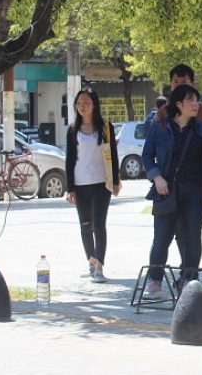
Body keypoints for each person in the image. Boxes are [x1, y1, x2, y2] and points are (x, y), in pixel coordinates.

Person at [140, 84, 202, 300]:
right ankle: (155, 281)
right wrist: (157, 177)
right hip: (166, 189)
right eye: (190, 100)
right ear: (178, 104)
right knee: (161, 238)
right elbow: (147, 155)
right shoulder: (160, 127)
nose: (196, 104)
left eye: (197, 100)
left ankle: (189, 280)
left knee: (192, 237)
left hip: (195, 191)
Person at [65, 88, 121, 283]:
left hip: (101, 183)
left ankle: (99, 267)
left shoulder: (105, 128)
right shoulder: (73, 130)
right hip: (80, 183)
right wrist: (70, 188)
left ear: (94, 105)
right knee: (85, 224)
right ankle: (90, 261)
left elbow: (113, 155)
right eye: (79, 103)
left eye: (86, 102)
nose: (82, 106)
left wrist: (115, 181)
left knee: (99, 224)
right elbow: (70, 160)